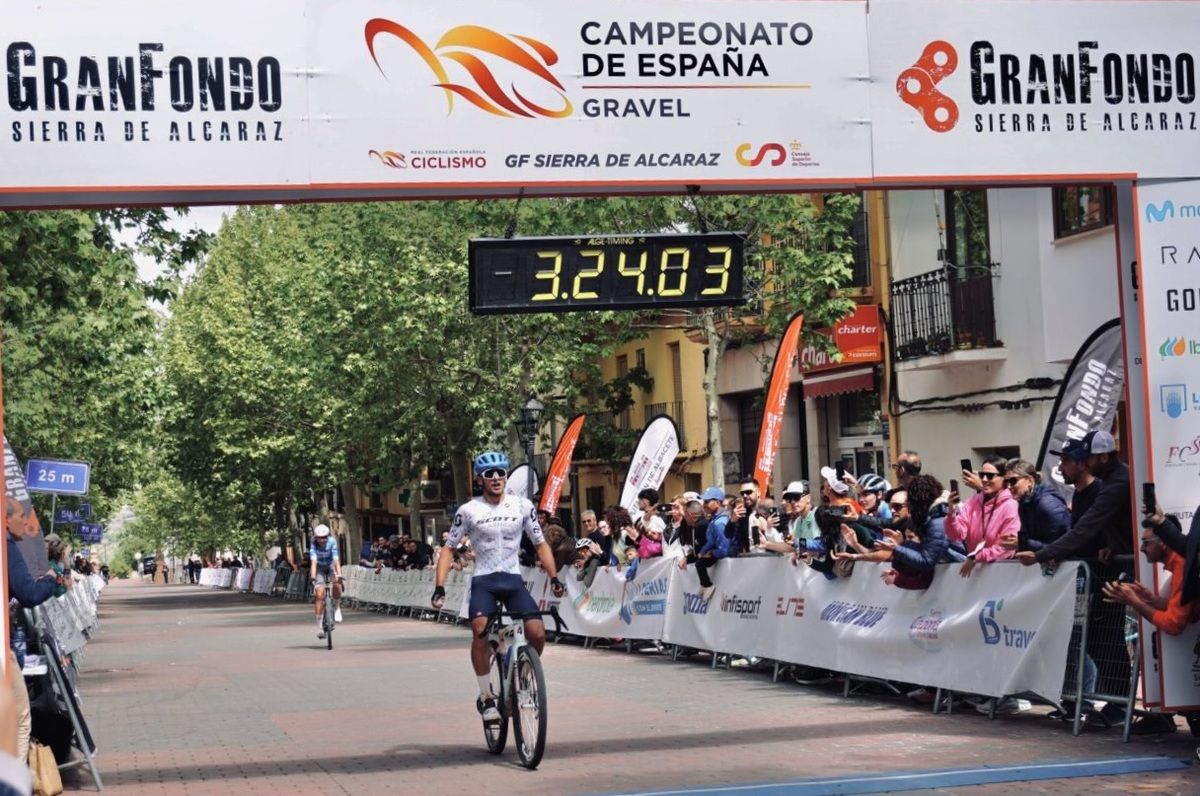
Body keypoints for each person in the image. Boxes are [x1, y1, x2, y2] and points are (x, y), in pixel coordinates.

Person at [431, 451, 564, 724]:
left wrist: (554, 577)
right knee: (479, 631)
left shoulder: (522, 506)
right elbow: (448, 549)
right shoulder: (468, 510)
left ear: (506, 476)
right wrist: (440, 586)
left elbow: (540, 545)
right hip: (484, 580)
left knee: (537, 632)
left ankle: (523, 678)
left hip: (513, 579)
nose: (496, 478)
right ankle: (486, 696)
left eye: (501, 473)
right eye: (489, 474)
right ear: (481, 479)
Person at [945, 456, 1020, 577]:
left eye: (990, 476)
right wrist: (951, 513)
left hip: (1003, 575)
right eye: (981, 475)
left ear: (1004, 478)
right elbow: (956, 535)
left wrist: (976, 557)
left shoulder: (1011, 505)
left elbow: (1006, 549)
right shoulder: (974, 501)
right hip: (977, 574)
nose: (984, 479)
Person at [1005, 458, 1070, 553]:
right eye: (1006, 482)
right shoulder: (1024, 502)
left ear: (1030, 480)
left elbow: (1063, 545)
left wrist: (1024, 543)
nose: (1009, 486)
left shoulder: (1047, 504)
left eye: (1013, 481)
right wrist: (1020, 542)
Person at [693, 487, 732, 600]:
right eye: (703, 502)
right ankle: (704, 584)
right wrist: (703, 552)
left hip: (722, 555)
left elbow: (724, 549)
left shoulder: (719, 522)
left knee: (700, 563)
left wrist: (710, 554)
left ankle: (707, 585)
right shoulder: (715, 519)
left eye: (707, 502)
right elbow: (711, 541)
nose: (704, 505)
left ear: (718, 502)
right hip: (717, 553)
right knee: (699, 562)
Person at [309, 523, 344, 639]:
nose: (322, 540)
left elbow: (336, 560)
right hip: (319, 567)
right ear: (316, 537)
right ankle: (319, 627)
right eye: (320, 538)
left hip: (330, 566)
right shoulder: (313, 543)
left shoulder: (332, 541)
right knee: (319, 595)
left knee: (336, 584)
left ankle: (337, 607)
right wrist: (313, 577)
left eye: (324, 537)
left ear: (328, 536)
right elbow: (313, 562)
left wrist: (339, 575)